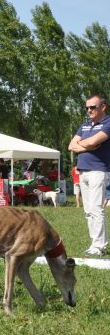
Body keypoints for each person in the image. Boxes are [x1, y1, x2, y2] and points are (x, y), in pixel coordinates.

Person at [68, 94, 110, 256]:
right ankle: (94, 243)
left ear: (103, 107)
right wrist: (87, 146)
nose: (89, 110)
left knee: (96, 208)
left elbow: (93, 142)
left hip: (98, 171)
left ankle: (99, 246)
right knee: (87, 210)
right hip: (82, 171)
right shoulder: (84, 125)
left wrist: (83, 145)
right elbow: (71, 146)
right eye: (87, 108)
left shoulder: (108, 123)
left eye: (93, 107)